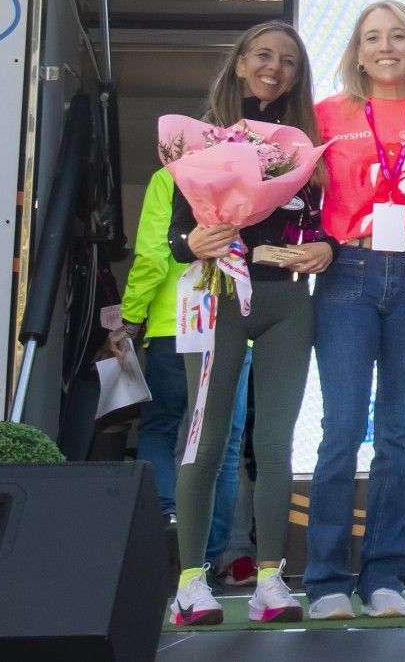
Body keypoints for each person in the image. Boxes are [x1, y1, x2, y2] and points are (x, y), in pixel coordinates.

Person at [164, 21, 334, 627]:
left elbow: (326, 225)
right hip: (218, 296)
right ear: (239, 63)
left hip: (288, 301)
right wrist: (194, 241)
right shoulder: (203, 138)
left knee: (275, 442)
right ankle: (190, 583)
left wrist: (328, 248)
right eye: (263, 55)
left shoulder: (308, 145)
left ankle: (269, 580)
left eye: (289, 61)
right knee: (208, 436)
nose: (274, 68)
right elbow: (176, 235)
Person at [305, 1, 405, 619]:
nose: (385, 47)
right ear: (357, 52)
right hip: (348, 272)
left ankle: (385, 575)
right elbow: (298, 197)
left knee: (397, 433)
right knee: (341, 430)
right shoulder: (324, 115)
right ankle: (325, 581)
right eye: (372, 38)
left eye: (397, 37)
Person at [112, 169, 251, 569]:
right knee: (225, 443)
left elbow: (153, 258)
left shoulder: (170, 176)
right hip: (232, 325)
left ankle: (169, 522)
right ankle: (215, 554)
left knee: (160, 427)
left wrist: (131, 320)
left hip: (175, 324)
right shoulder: (244, 176)